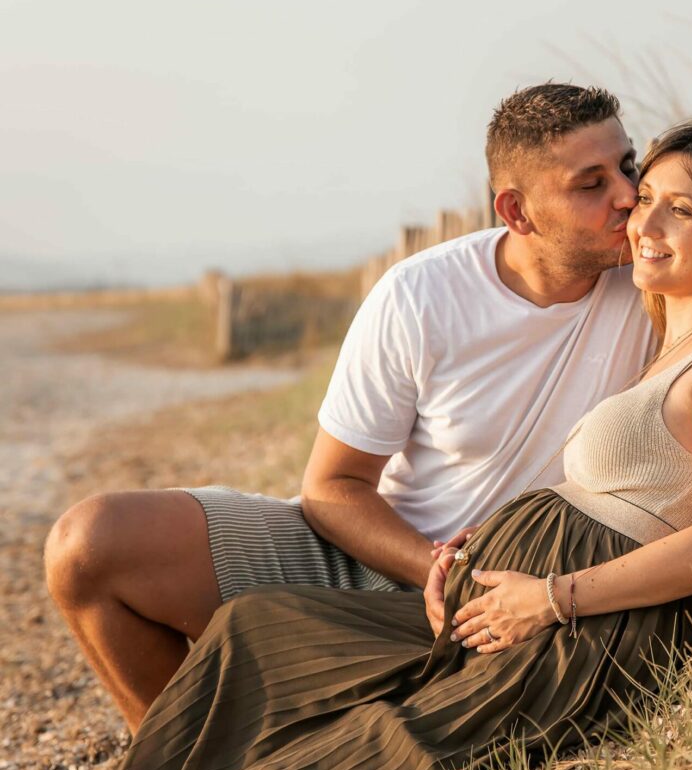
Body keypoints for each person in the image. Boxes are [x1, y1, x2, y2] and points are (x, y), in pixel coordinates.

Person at [66, 119, 692, 770]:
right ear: (516, 212)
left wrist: (553, 598)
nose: (634, 208)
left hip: (561, 624)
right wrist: (458, 571)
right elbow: (332, 484)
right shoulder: (441, 292)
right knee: (238, 631)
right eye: (620, 187)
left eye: (650, 189)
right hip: (441, 576)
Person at [43, 84, 656, 733]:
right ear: (516, 210)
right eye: (590, 184)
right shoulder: (422, 295)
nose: (627, 195)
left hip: (527, 596)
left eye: (628, 165)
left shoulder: (658, 283)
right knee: (88, 545)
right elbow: (332, 487)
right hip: (383, 561)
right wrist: (441, 571)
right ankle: (174, 762)